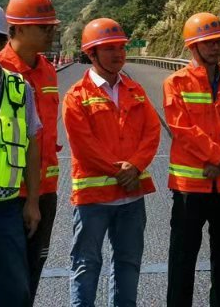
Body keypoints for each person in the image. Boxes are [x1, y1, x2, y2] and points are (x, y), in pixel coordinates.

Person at [63, 18, 160, 306]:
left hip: (130, 199)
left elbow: (152, 132)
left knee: (128, 265)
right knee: (85, 265)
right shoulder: (77, 96)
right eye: (109, 48)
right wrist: (120, 171)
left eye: (120, 47)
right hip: (93, 199)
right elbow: (83, 145)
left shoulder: (136, 91)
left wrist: (137, 166)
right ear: (91, 54)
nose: (118, 53)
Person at [164, 12, 220, 307]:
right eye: (209, 43)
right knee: (182, 259)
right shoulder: (176, 83)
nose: (216, 47)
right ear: (193, 46)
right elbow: (181, 128)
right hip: (191, 187)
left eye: (219, 42)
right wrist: (217, 157)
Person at [0, 0, 60, 307]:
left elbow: (36, 140)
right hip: (2, 197)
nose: (51, 33)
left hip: (33, 193)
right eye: (44, 27)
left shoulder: (40, 75)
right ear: (17, 30)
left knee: (23, 282)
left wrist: (36, 199)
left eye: (52, 27)